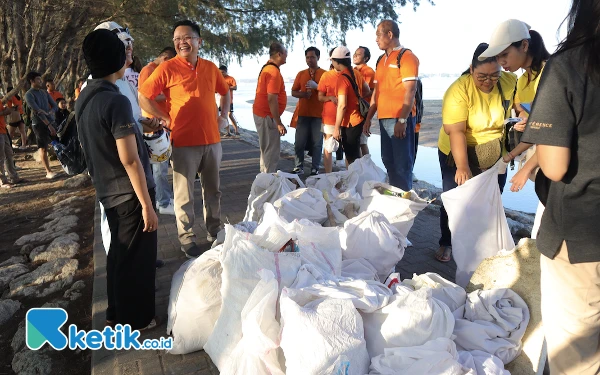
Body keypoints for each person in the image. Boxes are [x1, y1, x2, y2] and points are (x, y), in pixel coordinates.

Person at [520, 0, 600, 372]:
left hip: (581, 233)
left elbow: (555, 166)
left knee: (576, 353)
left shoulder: (571, 65)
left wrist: (531, 165)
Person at [77, 28, 159, 330]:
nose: (129, 54)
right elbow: (129, 158)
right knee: (137, 261)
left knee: (118, 257)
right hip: (129, 194)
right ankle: (137, 320)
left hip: (107, 190)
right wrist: (147, 205)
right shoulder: (116, 101)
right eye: (122, 50)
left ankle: (114, 313)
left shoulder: (86, 96)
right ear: (114, 57)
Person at [139, 20, 231, 258]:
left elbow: (225, 91)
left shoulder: (210, 68)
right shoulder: (167, 68)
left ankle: (214, 231)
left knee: (213, 191)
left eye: (187, 37)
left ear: (199, 41)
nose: (182, 42)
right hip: (182, 142)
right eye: (177, 39)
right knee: (184, 195)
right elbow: (143, 97)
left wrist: (223, 116)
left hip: (212, 141)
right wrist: (164, 117)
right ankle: (187, 238)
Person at [434, 43, 517, 263]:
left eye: (494, 75)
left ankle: (481, 246)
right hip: (458, 147)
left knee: (491, 198)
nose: (488, 81)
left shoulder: (509, 83)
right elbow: (457, 132)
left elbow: (520, 109)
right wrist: (462, 166)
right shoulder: (458, 90)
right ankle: (447, 242)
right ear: (471, 69)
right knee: (455, 198)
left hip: (494, 150)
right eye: (482, 76)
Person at [479, 19, 550, 239]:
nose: (501, 62)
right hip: (541, 152)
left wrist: (525, 168)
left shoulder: (551, 73)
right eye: (497, 57)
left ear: (524, 46)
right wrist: (524, 116)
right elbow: (524, 109)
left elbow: (550, 131)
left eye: (504, 55)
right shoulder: (522, 78)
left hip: (553, 154)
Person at [364, 20, 419, 191]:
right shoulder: (380, 60)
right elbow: (376, 93)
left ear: (390, 34)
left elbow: (410, 91)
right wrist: (368, 119)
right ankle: (395, 196)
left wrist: (402, 120)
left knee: (403, 164)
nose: (376, 39)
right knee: (388, 159)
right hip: (384, 118)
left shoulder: (407, 57)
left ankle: (404, 202)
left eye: (378, 35)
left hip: (400, 118)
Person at [138, 46, 177, 216]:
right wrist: (172, 94)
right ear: (164, 58)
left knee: (163, 164)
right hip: (154, 125)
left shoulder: (155, 69)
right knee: (159, 167)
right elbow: (146, 96)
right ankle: (162, 202)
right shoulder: (149, 71)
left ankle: (164, 197)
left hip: (161, 124)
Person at [252, 42, 288, 173]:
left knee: (266, 150)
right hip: (267, 116)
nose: (287, 55)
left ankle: (265, 180)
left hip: (262, 114)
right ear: (279, 54)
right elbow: (271, 98)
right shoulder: (272, 71)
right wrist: (278, 122)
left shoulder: (268, 68)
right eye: (285, 52)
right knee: (271, 153)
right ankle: (268, 185)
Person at [291, 47, 325, 176]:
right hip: (303, 114)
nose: (310, 60)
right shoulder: (301, 74)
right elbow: (293, 92)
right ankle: (298, 166)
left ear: (318, 58)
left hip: (318, 115)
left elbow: (330, 92)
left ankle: (314, 168)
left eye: (312, 57)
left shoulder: (324, 74)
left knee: (317, 143)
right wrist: (304, 95)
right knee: (299, 142)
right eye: (307, 57)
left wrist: (317, 87)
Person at [331, 46, 367, 166]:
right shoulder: (355, 73)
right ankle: (360, 180)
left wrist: (336, 128)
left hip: (350, 122)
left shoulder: (342, 78)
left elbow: (342, 106)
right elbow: (367, 91)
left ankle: (357, 182)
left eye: (332, 61)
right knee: (356, 155)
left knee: (352, 159)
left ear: (336, 61)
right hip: (358, 119)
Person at [24, 71, 58, 179]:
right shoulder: (29, 94)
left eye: (40, 79)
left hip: (50, 121)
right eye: (38, 79)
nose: (40, 81)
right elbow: (37, 111)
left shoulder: (44, 92)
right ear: (32, 81)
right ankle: (48, 171)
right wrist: (48, 125)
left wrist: (51, 112)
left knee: (58, 142)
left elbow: (55, 105)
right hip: (38, 123)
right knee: (43, 147)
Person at [318, 48, 340, 173]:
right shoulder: (326, 75)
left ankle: (351, 175)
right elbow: (320, 97)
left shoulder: (351, 74)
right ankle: (328, 175)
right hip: (330, 117)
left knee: (349, 148)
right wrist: (330, 97)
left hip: (348, 118)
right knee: (328, 147)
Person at [354, 46, 375, 156]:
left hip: (363, 111)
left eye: (358, 54)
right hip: (354, 111)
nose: (355, 56)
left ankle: (366, 165)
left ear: (366, 58)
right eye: (355, 53)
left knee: (362, 142)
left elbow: (365, 91)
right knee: (355, 142)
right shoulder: (353, 70)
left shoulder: (368, 71)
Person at [0, 101, 21, 188]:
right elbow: (5, 111)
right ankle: (2, 181)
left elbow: (7, 111)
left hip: (3, 130)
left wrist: (5, 111)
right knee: (0, 157)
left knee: (9, 154)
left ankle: (14, 177)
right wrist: (3, 112)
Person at [218, 65, 241, 137]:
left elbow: (235, 87)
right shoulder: (219, 79)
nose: (221, 74)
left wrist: (227, 87)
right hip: (221, 100)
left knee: (230, 115)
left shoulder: (230, 78)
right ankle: (227, 132)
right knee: (223, 116)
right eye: (220, 72)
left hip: (229, 100)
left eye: (223, 72)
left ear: (226, 72)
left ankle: (236, 130)